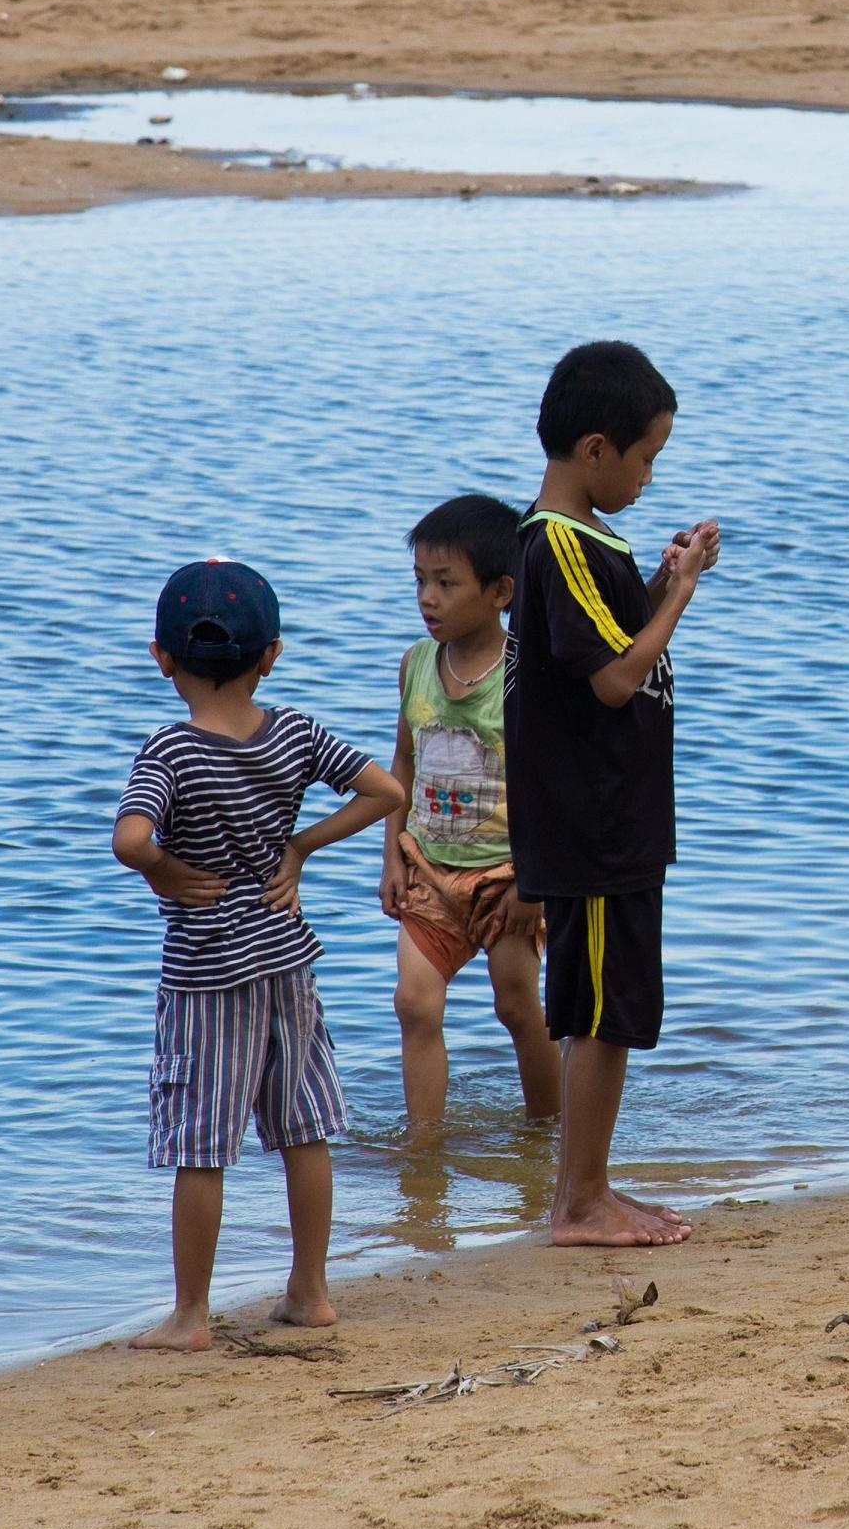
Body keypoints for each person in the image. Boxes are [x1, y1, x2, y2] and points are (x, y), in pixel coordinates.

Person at [111, 557, 403, 1351]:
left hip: (207, 971)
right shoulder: (295, 731)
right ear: (270, 654)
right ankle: (309, 1292)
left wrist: (170, 870)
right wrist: (300, 847)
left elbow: (130, 839)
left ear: (161, 657)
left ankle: (190, 1316)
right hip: (287, 955)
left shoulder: (169, 751)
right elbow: (387, 791)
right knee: (303, 1126)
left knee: (202, 1145)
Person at [507, 341, 720, 1248]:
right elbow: (615, 680)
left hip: (614, 816)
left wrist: (665, 581)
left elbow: (613, 645)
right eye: (645, 458)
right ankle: (580, 1201)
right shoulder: (559, 545)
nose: (646, 475)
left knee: (609, 1004)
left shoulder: (588, 545)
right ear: (596, 449)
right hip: (592, 820)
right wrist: (682, 597)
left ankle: (585, 1187)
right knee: (600, 1009)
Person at [381, 493, 559, 1137]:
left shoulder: (524, 675)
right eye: (420, 581)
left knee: (517, 1007)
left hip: (506, 878)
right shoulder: (415, 665)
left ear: (500, 591)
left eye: (446, 583)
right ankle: (423, 1147)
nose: (427, 597)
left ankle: (551, 1135)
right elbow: (401, 765)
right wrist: (391, 858)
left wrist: (533, 887)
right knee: (414, 1004)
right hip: (428, 870)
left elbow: (552, 785)